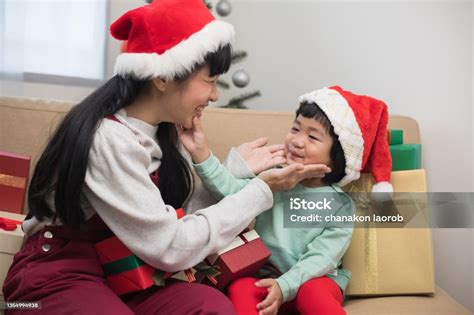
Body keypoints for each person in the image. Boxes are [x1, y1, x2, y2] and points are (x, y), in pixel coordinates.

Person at [1, 1, 329, 314]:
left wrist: (234, 171)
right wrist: (260, 191)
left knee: (210, 305)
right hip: (58, 274)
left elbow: (173, 223)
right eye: (210, 80)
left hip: (124, 274)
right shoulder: (109, 139)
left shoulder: (164, 133)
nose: (215, 95)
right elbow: (170, 246)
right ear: (163, 76)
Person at [182, 86, 393, 315]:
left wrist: (285, 286)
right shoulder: (275, 178)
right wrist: (202, 154)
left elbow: (321, 257)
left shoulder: (339, 204)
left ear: (337, 157)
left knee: (313, 293)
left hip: (314, 278)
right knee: (242, 288)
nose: (297, 141)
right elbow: (232, 192)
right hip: (266, 277)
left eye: (312, 137)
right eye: (295, 129)